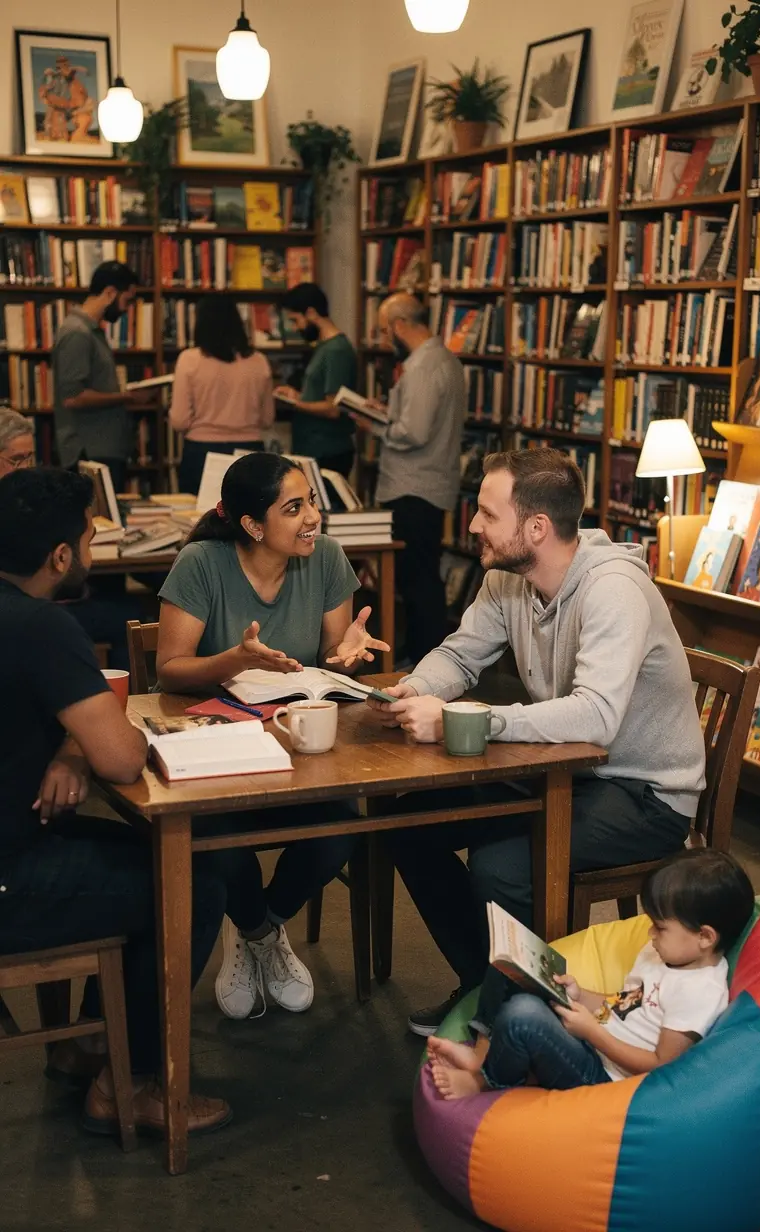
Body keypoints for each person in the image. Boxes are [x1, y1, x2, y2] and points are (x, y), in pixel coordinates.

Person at [368, 447, 706, 1035]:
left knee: (501, 869)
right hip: (564, 771)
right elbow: (460, 652)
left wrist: (463, 721)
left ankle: (514, 1015)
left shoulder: (612, 590)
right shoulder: (508, 580)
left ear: (536, 528)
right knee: (410, 825)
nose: (472, 525)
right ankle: (490, 988)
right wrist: (412, 690)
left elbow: (596, 716)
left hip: (644, 793)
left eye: (486, 514)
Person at [0, 467, 231, 1136]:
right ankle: (129, 1085)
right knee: (191, 882)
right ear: (61, 557)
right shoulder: (42, 628)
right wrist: (89, 742)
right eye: (91, 538)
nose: (96, 551)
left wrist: (67, 750)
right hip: (13, 880)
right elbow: (124, 757)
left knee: (139, 855)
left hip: (17, 851)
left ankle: (101, 1045)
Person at [156, 452, 389, 1019]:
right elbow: (170, 668)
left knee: (342, 829)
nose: (313, 516)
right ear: (252, 526)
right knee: (211, 835)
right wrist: (233, 658)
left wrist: (350, 655)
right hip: (220, 742)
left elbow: (334, 659)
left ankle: (260, 928)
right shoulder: (201, 562)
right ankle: (261, 936)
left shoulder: (327, 557)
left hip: (300, 741)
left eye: (312, 501)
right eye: (294, 507)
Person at [428, 849, 754, 1099]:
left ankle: (483, 1081)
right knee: (509, 966)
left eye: (660, 927)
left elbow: (661, 1066)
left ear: (705, 937)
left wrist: (593, 1034)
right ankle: (481, 1054)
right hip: (590, 1041)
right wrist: (579, 994)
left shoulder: (699, 991)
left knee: (522, 1014)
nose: (651, 934)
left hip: (603, 1077)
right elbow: (623, 1005)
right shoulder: (661, 954)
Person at [354, 292, 466, 666]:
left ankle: (423, 656)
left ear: (400, 325)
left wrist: (375, 425)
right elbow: (423, 421)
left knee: (417, 580)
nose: (387, 340)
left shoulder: (421, 367)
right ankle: (424, 652)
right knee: (423, 574)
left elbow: (413, 433)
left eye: (387, 331)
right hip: (433, 482)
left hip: (413, 485)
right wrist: (389, 412)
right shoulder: (445, 360)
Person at [0, 408, 136, 671]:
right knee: (126, 614)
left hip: (26, 604)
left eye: (30, 458)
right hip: (24, 610)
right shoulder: (13, 504)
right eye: (17, 459)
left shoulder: (21, 497)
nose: (26, 469)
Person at [52, 261, 149, 491]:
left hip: (100, 449)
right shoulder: (77, 333)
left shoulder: (92, 331)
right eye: (127, 300)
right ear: (110, 293)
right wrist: (128, 397)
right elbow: (73, 397)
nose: (127, 309)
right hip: (89, 452)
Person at [170, 296, 275, 495]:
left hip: (201, 450)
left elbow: (179, 420)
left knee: (200, 519)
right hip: (250, 451)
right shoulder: (259, 361)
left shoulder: (189, 359)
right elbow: (267, 419)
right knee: (249, 517)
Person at [275, 283, 358, 477]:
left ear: (311, 313)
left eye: (296, 320)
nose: (296, 328)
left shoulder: (336, 350)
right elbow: (319, 394)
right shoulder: (324, 346)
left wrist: (296, 404)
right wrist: (297, 396)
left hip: (327, 450)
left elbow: (333, 408)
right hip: (314, 447)